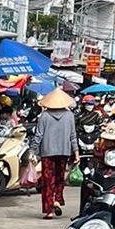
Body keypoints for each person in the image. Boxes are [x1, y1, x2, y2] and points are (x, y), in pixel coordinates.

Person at [32, 89, 79, 219]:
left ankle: (49, 210)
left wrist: (33, 151)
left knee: (48, 181)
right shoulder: (69, 116)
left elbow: (38, 136)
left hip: (47, 152)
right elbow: (73, 136)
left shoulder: (44, 116)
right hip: (64, 152)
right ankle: (57, 200)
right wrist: (76, 153)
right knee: (59, 178)